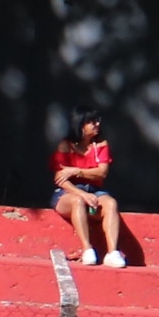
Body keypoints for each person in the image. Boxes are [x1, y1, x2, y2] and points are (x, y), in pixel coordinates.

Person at [53, 108, 126, 268]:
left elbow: (102, 172)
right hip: (69, 191)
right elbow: (60, 179)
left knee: (111, 203)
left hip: (94, 190)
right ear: (80, 125)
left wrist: (76, 171)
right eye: (92, 122)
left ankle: (112, 252)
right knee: (77, 201)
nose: (97, 124)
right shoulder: (65, 146)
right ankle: (87, 249)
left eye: (98, 121)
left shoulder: (100, 145)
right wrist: (82, 194)